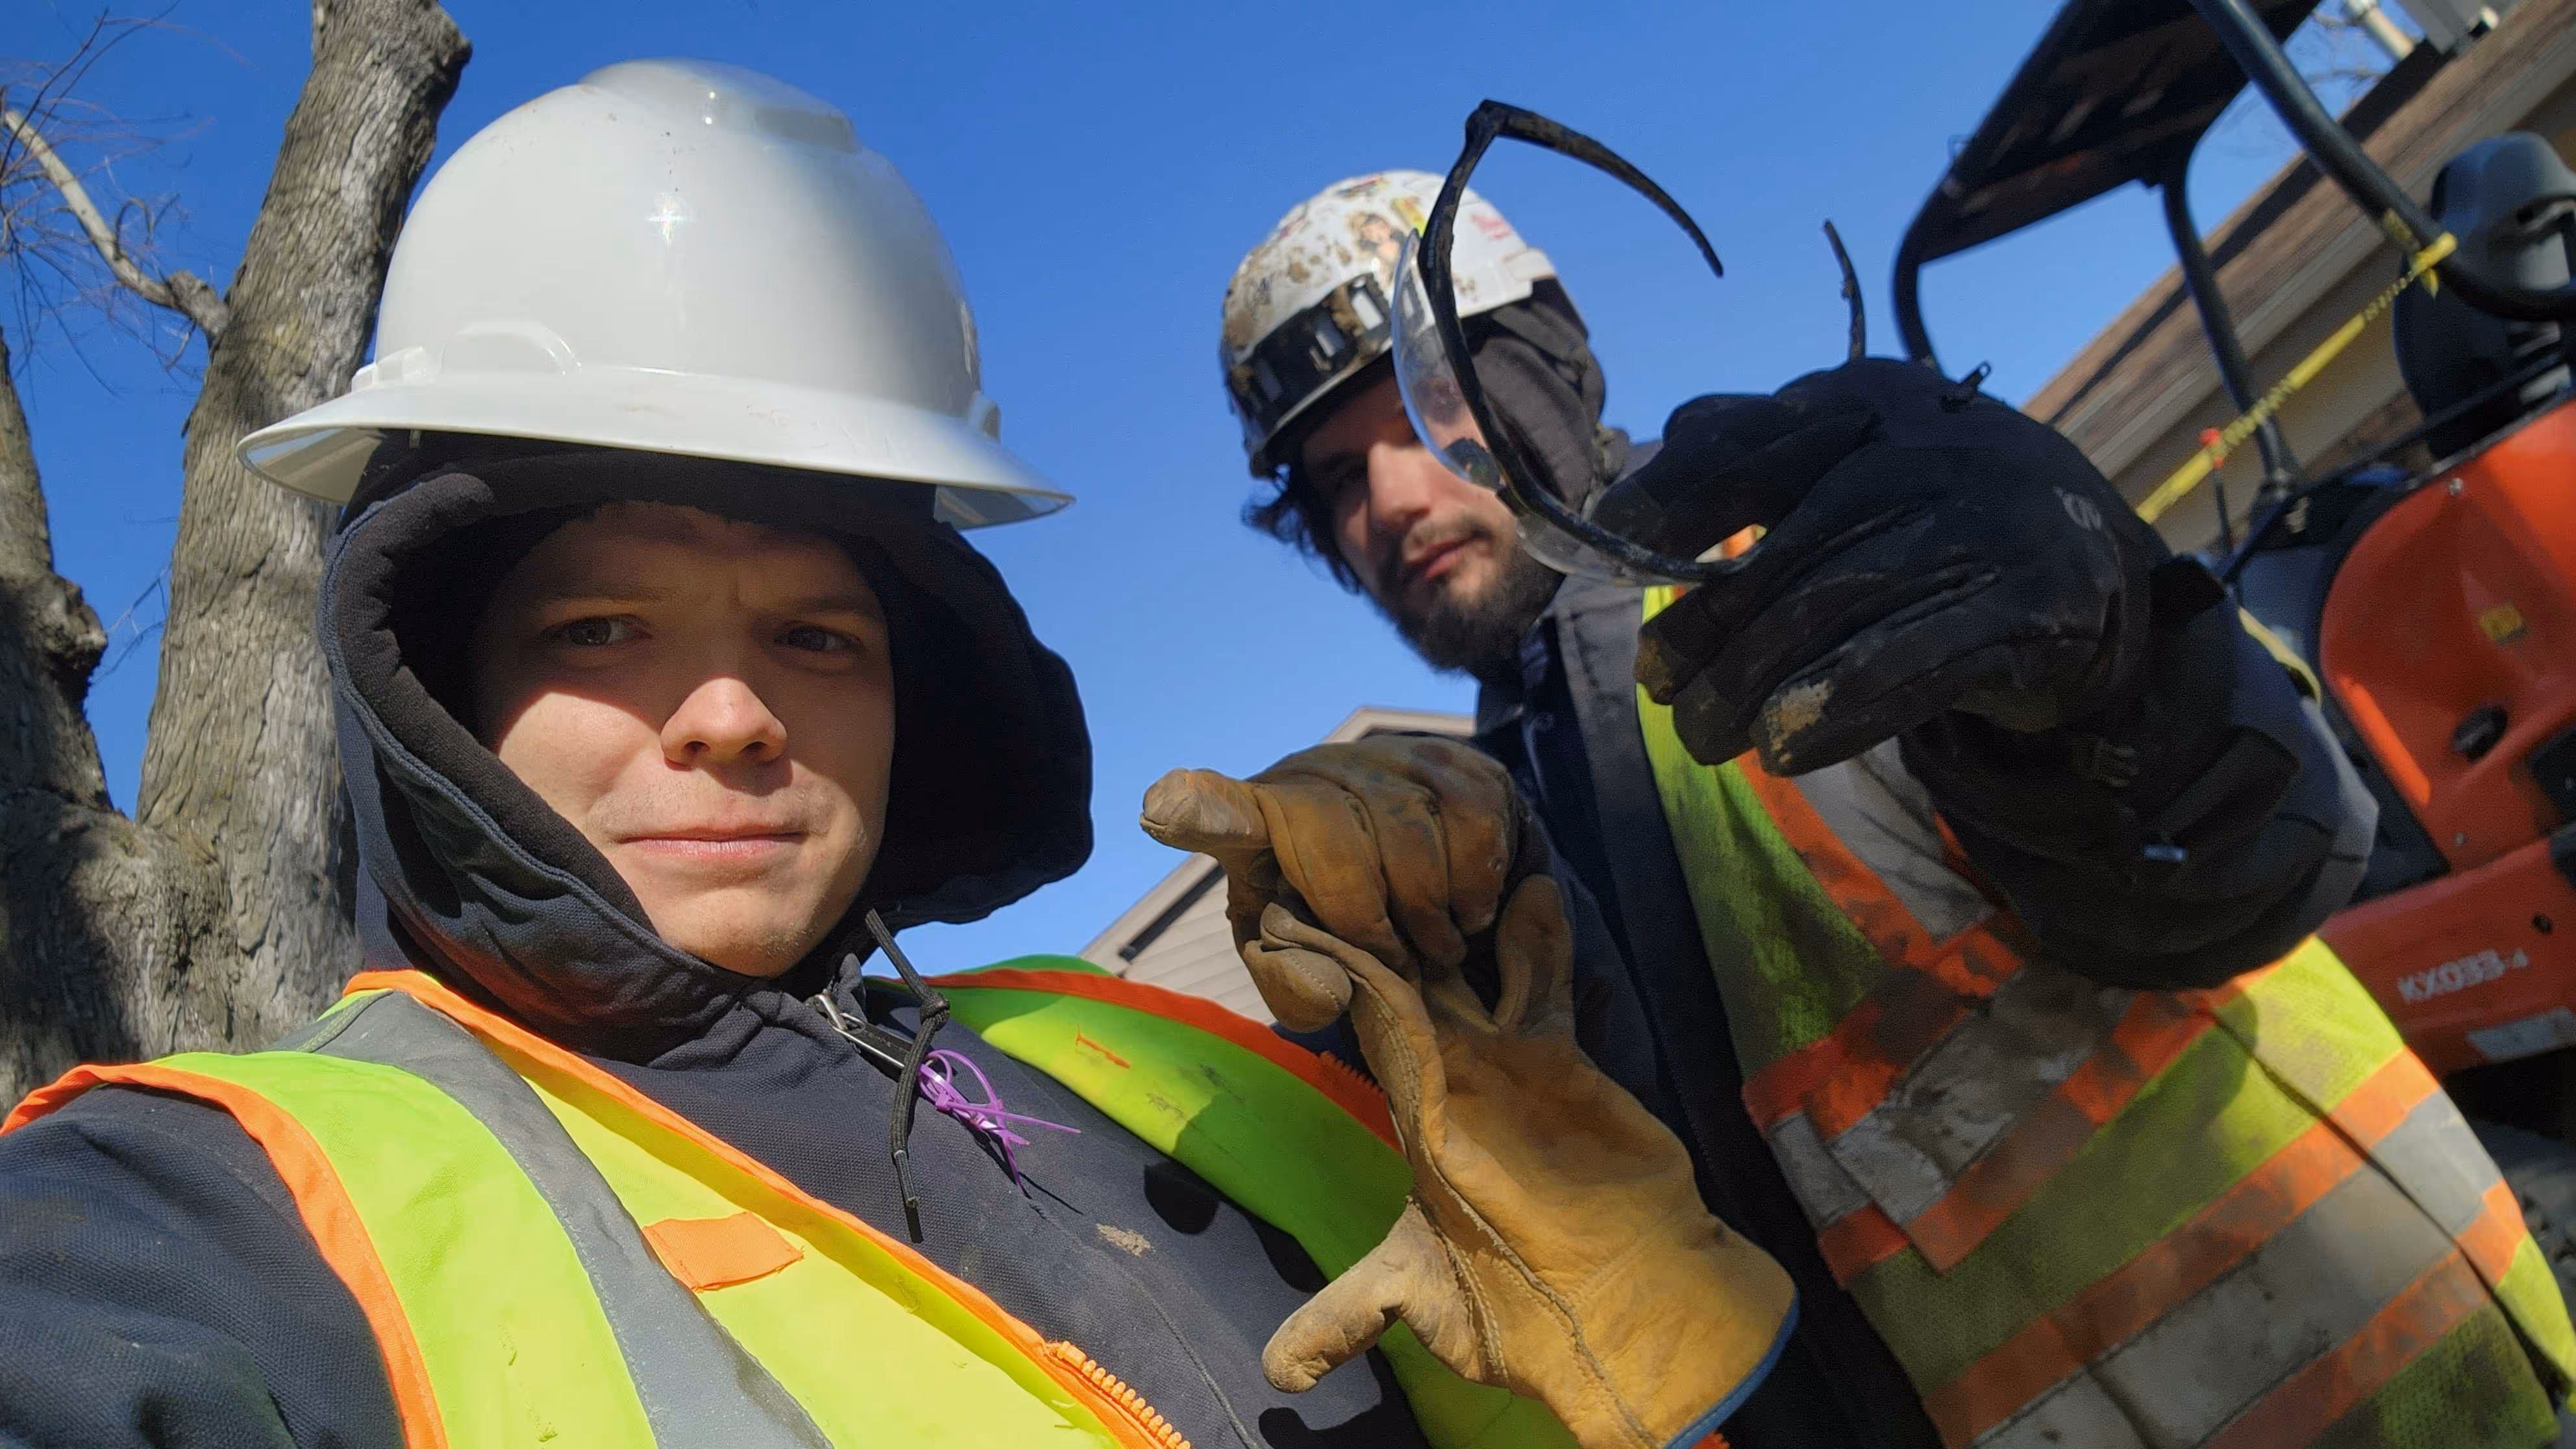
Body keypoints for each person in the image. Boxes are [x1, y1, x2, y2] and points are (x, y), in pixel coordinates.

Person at [0, 68, 1796, 1449]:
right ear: (436, 690)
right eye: (601, 632)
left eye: (817, 634)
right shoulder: (209, 1213)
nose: (735, 715)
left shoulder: (1133, 1054)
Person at [1191, 169, 2576, 1448]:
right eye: (1332, 481)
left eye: (1422, 416)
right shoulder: (1496, 829)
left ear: (1545, 375)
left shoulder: (1830, 559)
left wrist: (2114, 669)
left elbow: (2275, 859)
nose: (1388, 496)